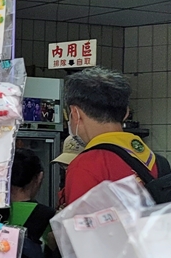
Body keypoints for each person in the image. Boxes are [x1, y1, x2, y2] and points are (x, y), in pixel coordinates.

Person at [60, 67, 158, 205]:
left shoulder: (86, 166)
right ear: (126, 113)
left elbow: (81, 224)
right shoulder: (155, 160)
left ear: (75, 113)